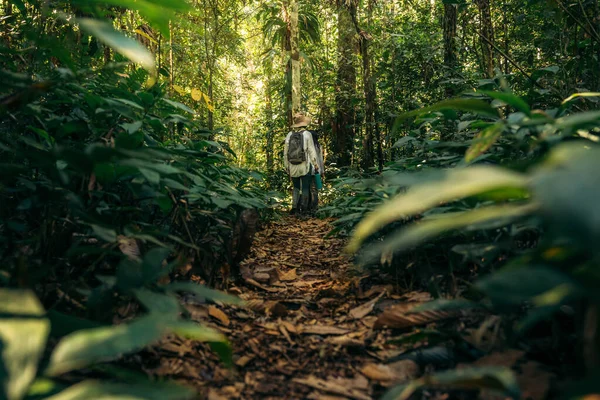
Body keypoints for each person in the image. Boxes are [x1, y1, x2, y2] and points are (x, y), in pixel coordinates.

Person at [284, 113, 320, 215]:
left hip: (292, 165)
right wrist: (315, 164)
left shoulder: (289, 135)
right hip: (304, 165)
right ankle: (304, 210)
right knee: (305, 187)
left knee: (296, 187)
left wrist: (287, 166)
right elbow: (312, 151)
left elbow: (285, 153)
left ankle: (294, 208)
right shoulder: (307, 134)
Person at [308, 129, 325, 212]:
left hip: (308, 170)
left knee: (308, 188)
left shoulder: (307, 146)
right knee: (315, 189)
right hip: (317, 170)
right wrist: (322, 171)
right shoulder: (318, 146)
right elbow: (321, 159)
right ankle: (314, 207)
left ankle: (309, 207)